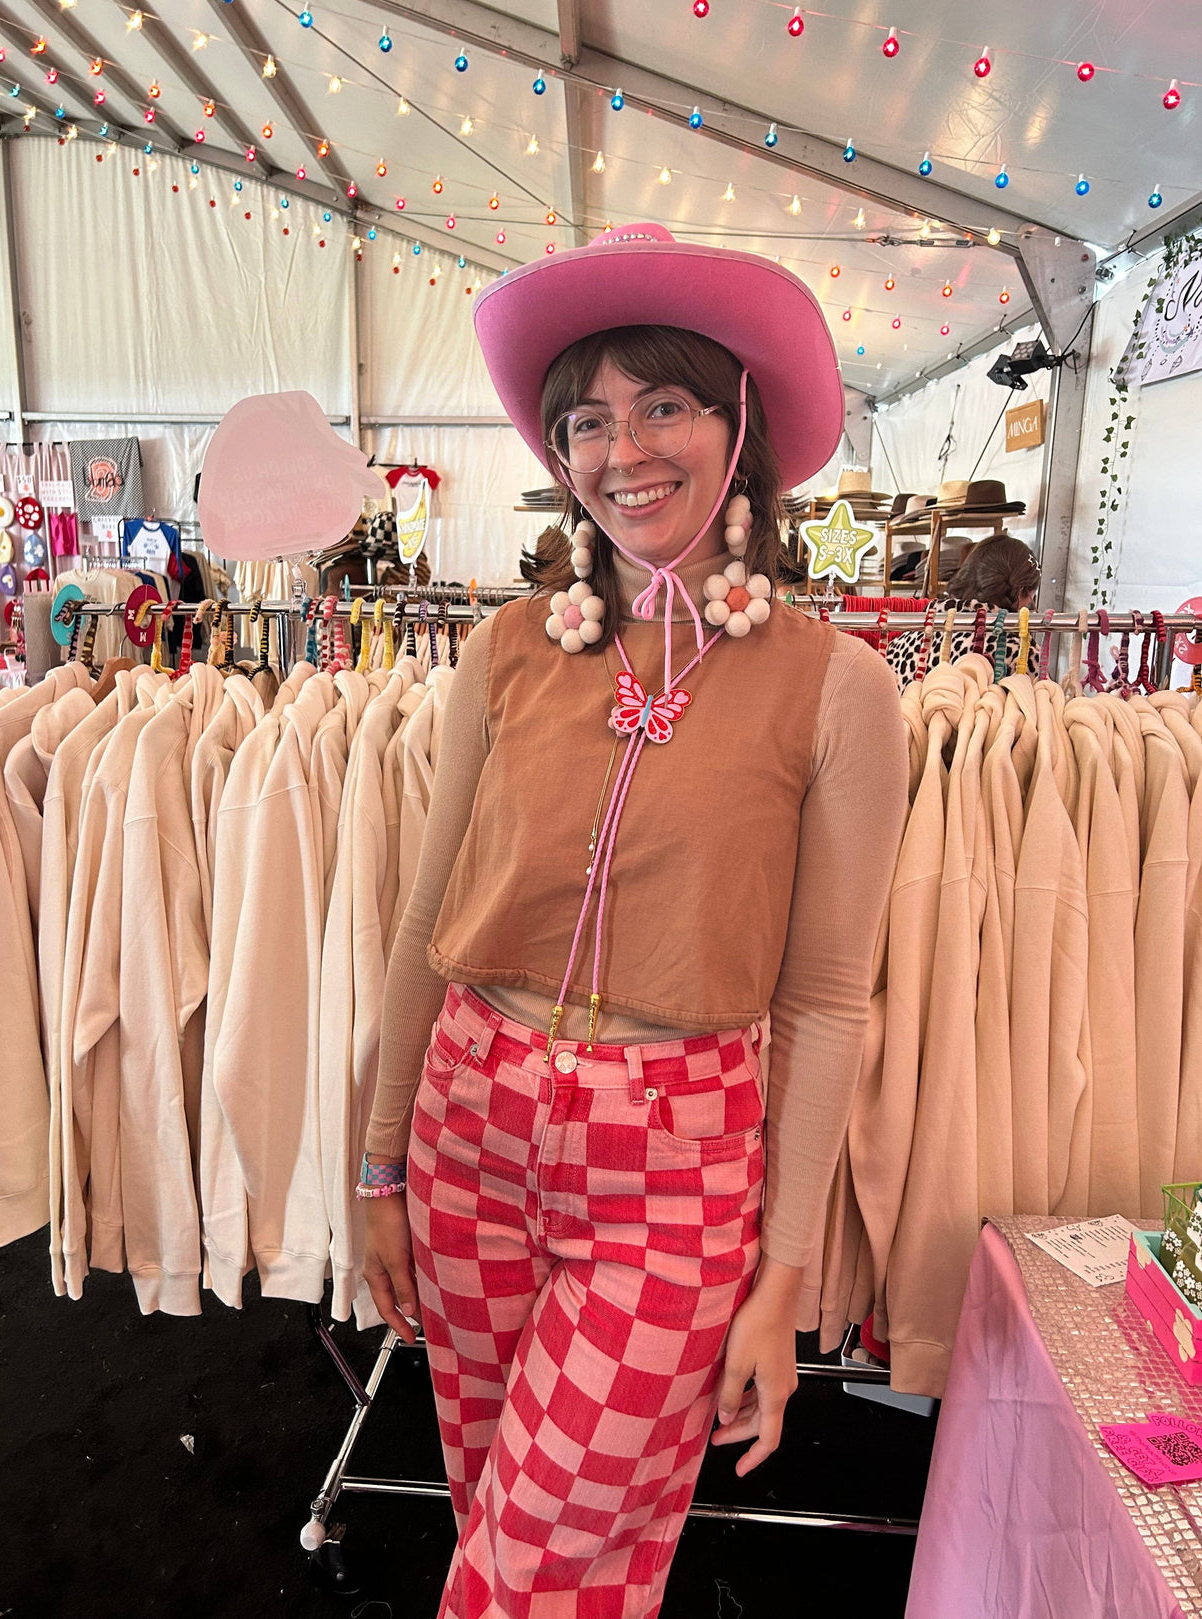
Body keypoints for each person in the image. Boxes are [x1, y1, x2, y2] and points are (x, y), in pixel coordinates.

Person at [361, 223, 908, 1618]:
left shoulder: (836, 688)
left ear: (739, 426)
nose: (622, 448)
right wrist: (378, 1169)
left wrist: (785, 1273)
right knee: (497, 1501)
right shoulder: (504, 648)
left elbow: (828, 994)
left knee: (531, 1566)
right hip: (468, 1123)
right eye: (585, 419)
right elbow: (428, 913)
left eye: (662, 402)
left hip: (672, 1169)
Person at [885, 532, 1042, 685]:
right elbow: (1036, 708)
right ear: (1022, 591)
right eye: (1030, 599)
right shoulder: (1018, 655)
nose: (1029, 605)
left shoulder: (906, 640)